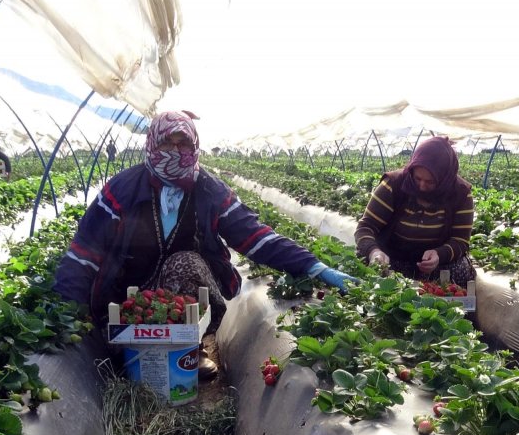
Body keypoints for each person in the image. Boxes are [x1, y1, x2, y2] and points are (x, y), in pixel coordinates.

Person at [53, 111, 354, 379]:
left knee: (187, 262)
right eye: (166, 144)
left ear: (194, 145)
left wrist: (314, 266)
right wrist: (65, 307)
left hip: (181, 296)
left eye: (182, 143)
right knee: (117, 340)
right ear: (151, 145)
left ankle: (188, 350)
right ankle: (131, 349)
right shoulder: (123, 190)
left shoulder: (208, 190)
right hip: (129, 296)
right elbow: (85, 252)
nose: (175, 152)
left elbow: (254, 236)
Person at [355, 136, 475, 285]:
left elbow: (461, 241)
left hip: (435, 265)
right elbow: (365, 227)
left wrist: (439, 254)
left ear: (445, 178)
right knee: (363, 260)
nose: (422, 186)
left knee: (460, 269)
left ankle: (451, 305)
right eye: (417, 179)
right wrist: (374, 252)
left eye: (430, 182)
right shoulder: (393, 185)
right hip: (393, 258)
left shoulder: (460, 193)